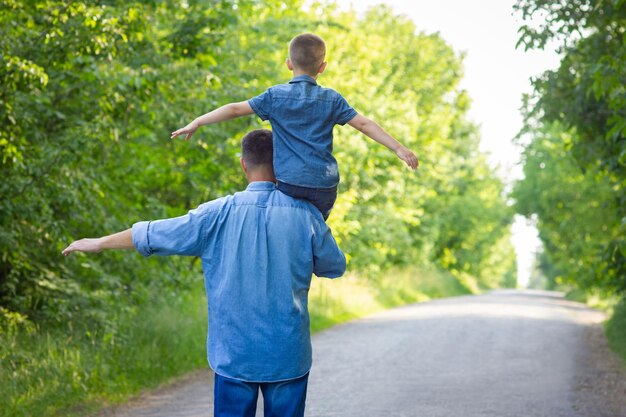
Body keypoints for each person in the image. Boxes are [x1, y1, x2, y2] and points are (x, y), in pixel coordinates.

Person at [62, 129, 346, 417]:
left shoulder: (216, 214)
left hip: (234, 354)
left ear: (243, 164)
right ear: (282, 162)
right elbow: (335, 267)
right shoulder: (306, 215)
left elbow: (155, 232)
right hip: (287, 354)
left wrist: (99, 243)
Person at [170, 33, 419, 220]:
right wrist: (399, 148)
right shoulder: (332, 98)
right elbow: (364, 124)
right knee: (315, 225)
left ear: (289, 63)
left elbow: (235, 109)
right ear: (322, 68)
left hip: (289, 183)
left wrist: (198, 121)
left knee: (284, 223)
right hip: (324, 185)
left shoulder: (275, 96)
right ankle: (317, 245)